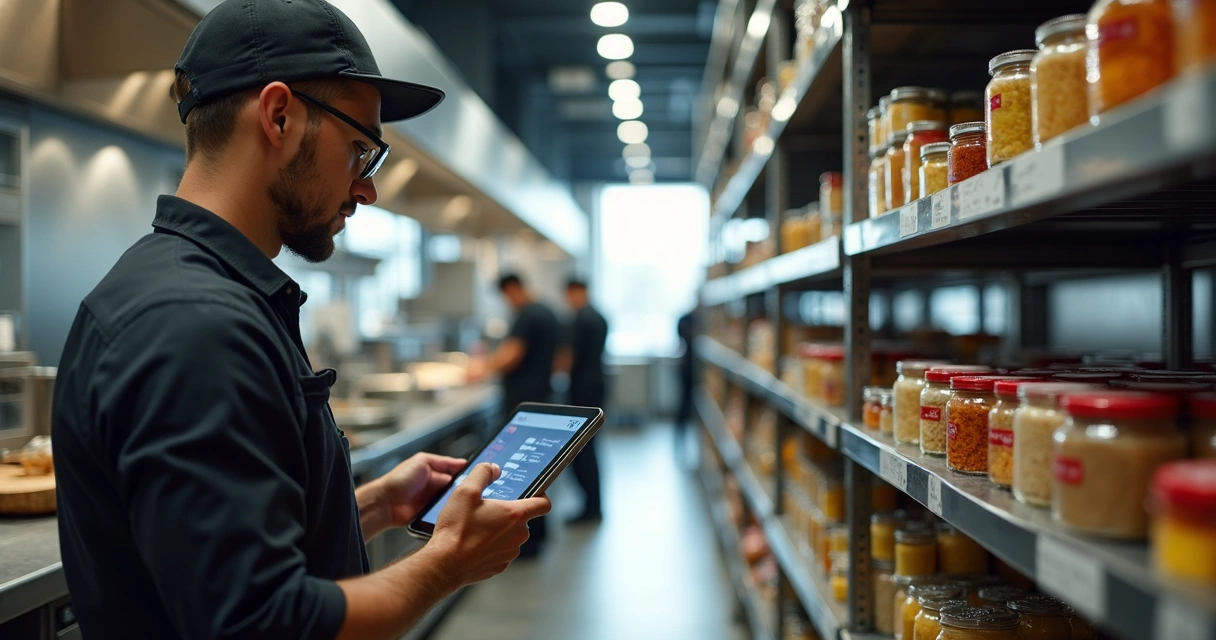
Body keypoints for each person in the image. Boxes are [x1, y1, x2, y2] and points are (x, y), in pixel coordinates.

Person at [50, 2, 550, 639]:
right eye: (361, 151)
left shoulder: (197, 291)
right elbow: (265, 624)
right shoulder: (195, 326)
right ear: (279, 116)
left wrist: (368, 505)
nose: (366, 189)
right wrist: (445, 564)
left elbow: (219, 552)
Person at [468, 273, 561, 554]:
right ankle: (538, 535)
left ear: (512, 289)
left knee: (520, 474)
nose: (506, 302)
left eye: (505, 295)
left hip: (524, 403)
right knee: (537, 470)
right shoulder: (546, 311)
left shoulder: (527, 315)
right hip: (541, 399)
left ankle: (527, 543)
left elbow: (512, 354)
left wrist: (481, 369)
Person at [556, 278, 608, 523]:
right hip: (596, 385)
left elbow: (568, 356)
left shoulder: (579, 319)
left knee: (582, 450)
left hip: (582, 390)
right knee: (590, 448)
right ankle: (593, 504)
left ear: (575, 291)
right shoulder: (598, 316)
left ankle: (591, 508)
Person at [675, 305, 700, 465]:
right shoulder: (686, 319)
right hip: (687, 368)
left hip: (696, 367)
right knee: (684, 403)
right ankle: (680, 439)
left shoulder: (702, 318)